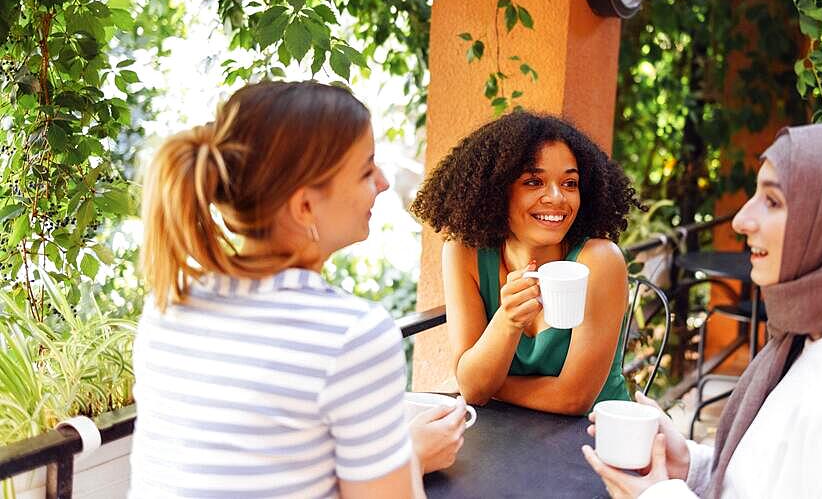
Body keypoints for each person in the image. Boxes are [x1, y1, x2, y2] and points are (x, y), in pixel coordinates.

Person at [130, 81, 466, 499]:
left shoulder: (169, 305)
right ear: (304, 206)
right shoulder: (352, 335)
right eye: (365, 170)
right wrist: (409, 455)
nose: (381, 182)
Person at [582, 123, 822, 498]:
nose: (741, 220)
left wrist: (656, 495)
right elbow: (769, 481)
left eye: (773, 201)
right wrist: (689, 465)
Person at [411, 111, 644, 415]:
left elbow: (574, 400)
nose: (557, 197)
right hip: (510, 440)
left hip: (598, 443)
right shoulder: (463, 253)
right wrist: (507, 321)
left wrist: (486, 386)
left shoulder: (600, 261)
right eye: (534, 181)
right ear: (496, 190)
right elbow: (472, 387)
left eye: (570, 183)